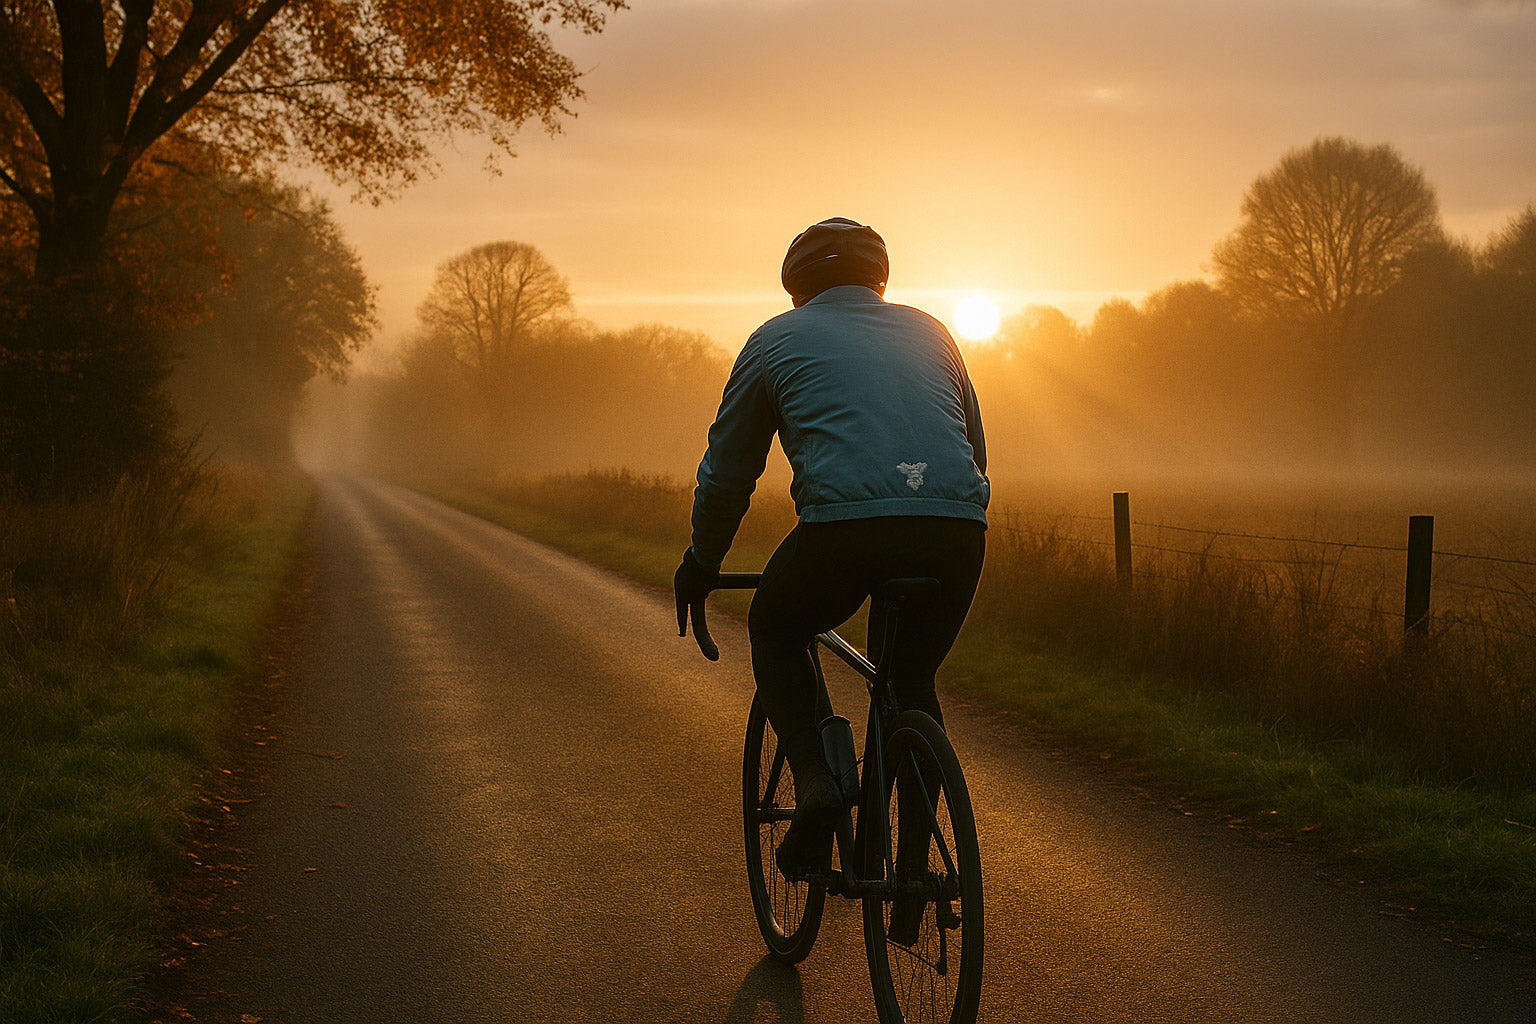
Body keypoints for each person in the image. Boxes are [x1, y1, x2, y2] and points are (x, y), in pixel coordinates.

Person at [674, 216, 989, 891]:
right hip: (957, 529)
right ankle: (910, 876)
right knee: (912, 680)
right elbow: (975, 450)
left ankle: (817, 781)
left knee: (775, 624)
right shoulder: (934, 330)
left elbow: (728, 474)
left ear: (796, 289)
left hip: (847, 531)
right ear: (880, 280)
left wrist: (703, 560)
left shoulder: (773, 341)